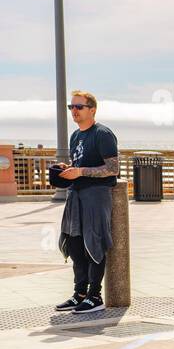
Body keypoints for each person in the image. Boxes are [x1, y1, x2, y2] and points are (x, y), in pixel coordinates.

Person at [52, 91, 117, 314]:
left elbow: (113, 168)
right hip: (76, 196)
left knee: (94, 243)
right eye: (71, 107)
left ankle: (95, 296)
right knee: (75, 245)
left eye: (79, 107)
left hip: (96, 195)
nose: (74, 111)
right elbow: (78, 163)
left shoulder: (103, 134)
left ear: (92, 109)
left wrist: (80, 171)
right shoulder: (75, 136)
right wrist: (67, 169)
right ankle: (79, 293)